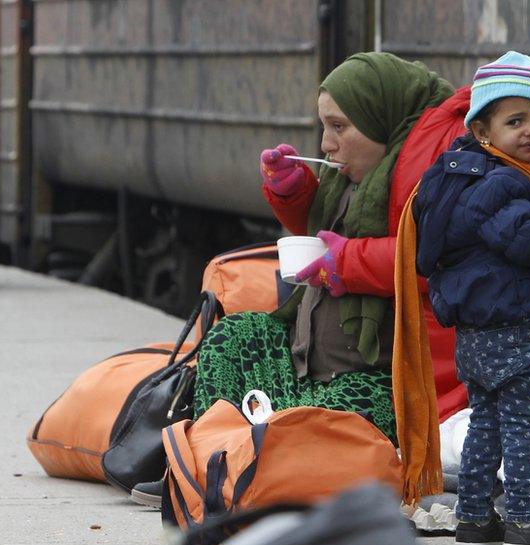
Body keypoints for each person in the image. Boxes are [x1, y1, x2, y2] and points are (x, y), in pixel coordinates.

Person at [187, 52, 461, 496]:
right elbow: (323, 230)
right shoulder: (351, 178)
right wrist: (292, 193)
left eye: (339, 127)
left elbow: (434, 260)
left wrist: (346, 263)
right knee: (233, 337)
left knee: (316, 417)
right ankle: (210, 463)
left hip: (377, 379)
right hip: (310, 365)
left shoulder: (432, 179)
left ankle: (255, 470)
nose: (325, 144)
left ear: (380, 120)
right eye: (324, 126)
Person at [411, 51, 530, 545]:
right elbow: (526, 241)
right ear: (482, 131)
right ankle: (524, 517)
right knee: (522, 427)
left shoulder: (460, 178)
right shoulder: (503, 182)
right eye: (514, 120)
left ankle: (475, 518)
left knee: (486, 427)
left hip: (475, 332)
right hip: (511, 329)